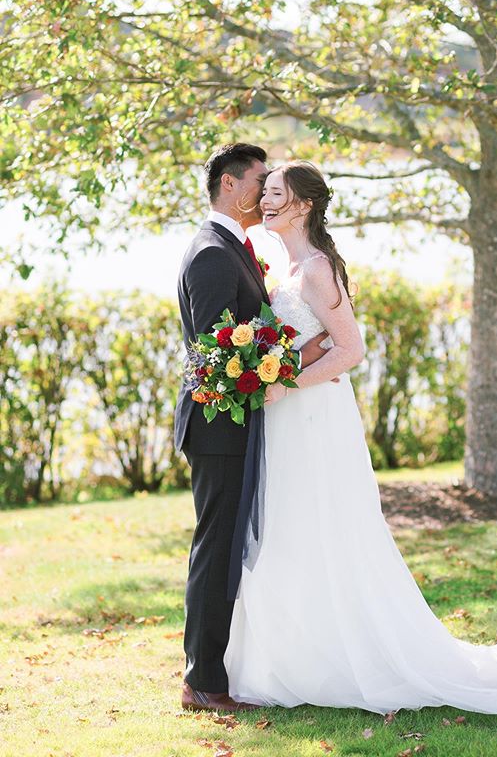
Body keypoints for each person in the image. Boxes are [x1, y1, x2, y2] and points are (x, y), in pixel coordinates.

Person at [222, 160, 497, 722]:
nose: (267, 202)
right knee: (286, 527)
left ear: (303, 205)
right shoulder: (288, 266)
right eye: (266, 194)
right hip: (288, 418)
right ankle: (288, 654)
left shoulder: (317, 270)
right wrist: (275, 375)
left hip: (312, 417)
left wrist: (283, 386)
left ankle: (332, 657)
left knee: (321, 527)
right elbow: (314, 340)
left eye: (276, 194)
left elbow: (350, 351)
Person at [175, 145, 328, 712]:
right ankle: (204, 681)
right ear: (231, 185)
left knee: (227, 547)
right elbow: (216, 353)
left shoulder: (232, 247)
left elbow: (246, 338)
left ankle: (216, 669)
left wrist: (297, 353)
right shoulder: (212, 254)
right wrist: (291, 365)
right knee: (216, 548)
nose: (265, 192)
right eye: (260, 181)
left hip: (235, 423)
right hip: (218, 428)